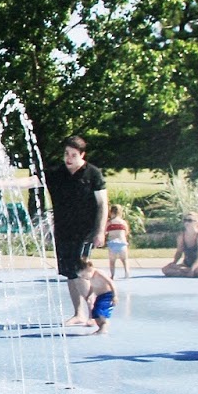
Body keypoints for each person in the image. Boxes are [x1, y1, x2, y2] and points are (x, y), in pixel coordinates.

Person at [43, 135, 108, 321]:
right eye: (66, 154)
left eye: (73, 155)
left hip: (86, 232)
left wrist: (100, 231)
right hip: (64, 231)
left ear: (82, 155)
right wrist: (2, 184)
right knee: (70, 273)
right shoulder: (57, 173)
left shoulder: (93, 174)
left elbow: (103, 204)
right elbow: (33, 181)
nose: (68, 158)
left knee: (81, 271)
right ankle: (79, 313)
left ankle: (95, 313)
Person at [68, 257, 116, 332]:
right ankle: (101, 327)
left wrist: (115, 296)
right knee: (95, 314)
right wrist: (89, 295)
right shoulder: (90, 276)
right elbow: (92, 287)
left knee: (101, 312)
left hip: (107, 295)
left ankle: (104, 326)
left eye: (84, 275)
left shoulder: (99, 273)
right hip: (100, 297)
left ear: (89, 268)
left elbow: (111, 282)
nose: (84, 278)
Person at [162, 212, 198, 278]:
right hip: (186, 264)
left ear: (196, 222)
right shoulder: (181, 236)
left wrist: (193, 268)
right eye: (185, 220)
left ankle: (187, 272)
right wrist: (174, 263)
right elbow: (179, 252)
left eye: (190, 220)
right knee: (165, 270)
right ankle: (189, 273)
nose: (187, 223)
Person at [104, 203, 131, 280]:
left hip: (112, 243)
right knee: (125, 260)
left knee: (112, 261)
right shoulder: (123, 222)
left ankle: (112, 275)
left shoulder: (109, 222)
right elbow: (126, 232)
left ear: (111, 212)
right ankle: (127, 273)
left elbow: (105, 232)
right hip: (122, 243)